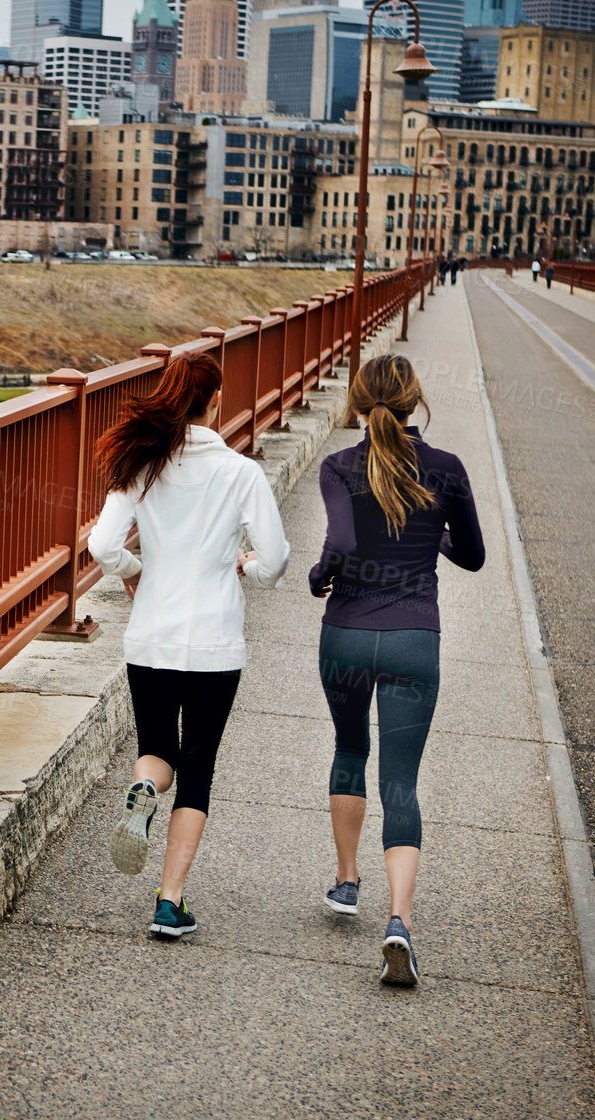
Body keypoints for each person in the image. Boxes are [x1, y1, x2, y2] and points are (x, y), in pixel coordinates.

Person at [91, 352, 290, 941]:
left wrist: (134, 568)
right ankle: (169, 902)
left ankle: (145, 790)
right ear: (216, 401)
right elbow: (276, 561)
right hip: (212, 646)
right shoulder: (241, 473)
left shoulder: (144, 465)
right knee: (198, 765)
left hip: (149, 637)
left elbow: (101, 543)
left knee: (157, 750)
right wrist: (246, 565)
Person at [309, 354, 485, 987]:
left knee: (349, 747)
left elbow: (343, 548)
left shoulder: (339, 466)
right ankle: (399, 923)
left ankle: (347, 882)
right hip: (415, 638)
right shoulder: (447, 469)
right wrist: (430, 534)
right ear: (416, 401)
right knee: (401, 781)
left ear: (357, 405)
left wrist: (318, 579)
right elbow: (473, 556)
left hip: (348, 637)